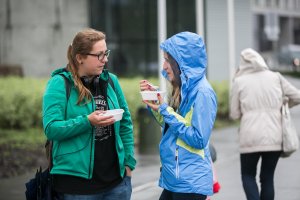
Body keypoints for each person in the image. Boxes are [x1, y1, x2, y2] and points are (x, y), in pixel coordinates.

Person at [42, 28, 136, 200]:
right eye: (99, 55)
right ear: (80, 58)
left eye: (106, 53)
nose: (105, 59)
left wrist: (128, 164)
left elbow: (125, 123)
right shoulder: (59, 84)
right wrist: (87, 121)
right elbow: (51, 128)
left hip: (117, 184)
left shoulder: (111, 81)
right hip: (76, 187)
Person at [140, 31, 218, 200]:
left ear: (182, 62)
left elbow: (198, 139)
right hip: (176, 179)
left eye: (168, 60)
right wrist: (158, 105)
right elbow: (173, 127)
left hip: (189, 182)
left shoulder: (202, 93)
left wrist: (165, 111)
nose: (164, 66)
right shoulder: (184, 89)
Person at [230, 48, 300, 200]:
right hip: (274, 136)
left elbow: (234, 113)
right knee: (267, 178)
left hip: (249, 137)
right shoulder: (275, 77)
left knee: (248, 175)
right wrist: (283, 105)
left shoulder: (239, 81)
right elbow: (297, 96)